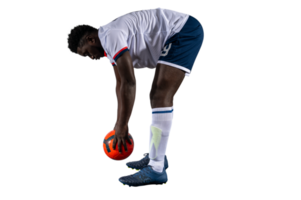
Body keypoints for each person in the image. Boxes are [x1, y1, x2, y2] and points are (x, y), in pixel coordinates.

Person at [66, 7, 204, 187]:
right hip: (175, 34)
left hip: (182, 31)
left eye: (86, 53)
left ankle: (156, 168)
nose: (91, 58)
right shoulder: (108, 45)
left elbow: (130, 82)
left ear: (90, 39)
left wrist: (123, 127)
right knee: (157, 94)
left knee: (159, 95)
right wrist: (118, 125)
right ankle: (157, 157)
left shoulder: (110, 35)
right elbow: (120, 84)